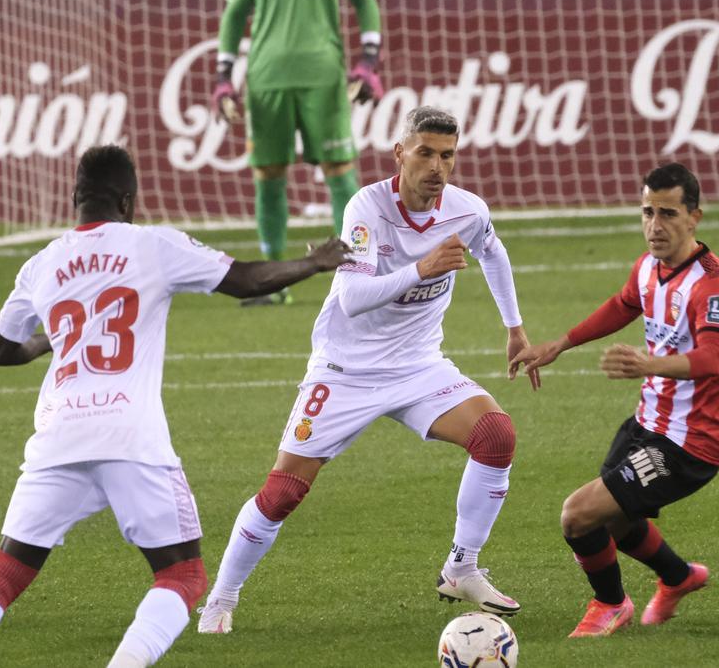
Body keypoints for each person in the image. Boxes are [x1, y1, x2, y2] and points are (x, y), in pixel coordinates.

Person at [0, 145, 351, 668]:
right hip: (130, 434)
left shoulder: (38, 265)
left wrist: (53, 342)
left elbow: (1, 352)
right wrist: (313, 261)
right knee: (183, 576)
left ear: (74, 198)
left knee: (5, 574)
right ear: (128, 201)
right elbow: (245, 279)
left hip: (57, 436)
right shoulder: (152, 245)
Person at [197, 106, 537, 634]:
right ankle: (220, 598)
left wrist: (514, 327)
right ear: (399, 153)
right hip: (344, 370)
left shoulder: (467, 212)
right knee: (283, 491)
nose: (437, 166)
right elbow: (353, 297)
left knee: (496, 436)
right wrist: (421, 268)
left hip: (418, 365)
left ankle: (462, 566)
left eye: (447, 155)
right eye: (425, 152)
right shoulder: (367, 208)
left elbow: (493, 252)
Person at [509, 163, 719, 637]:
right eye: (647, 212)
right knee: (610, 521)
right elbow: (623, 304)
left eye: (668, 214)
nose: (655, 225)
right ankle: (678, 577)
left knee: (579, 515)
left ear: (695, 217)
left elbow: (714, 358)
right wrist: (560, 343)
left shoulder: (713, 286)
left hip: (690, 443)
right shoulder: (648, 267)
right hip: (647, 424)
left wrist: (648, 365)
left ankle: (611, 604)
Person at [212, 0, 385, 305]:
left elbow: (365, 1)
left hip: (323, 75)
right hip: (267, 76)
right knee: (268, 172)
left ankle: (360, 273)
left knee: (338, 169)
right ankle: (272, 284)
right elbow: (235, 11)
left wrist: (369, 59)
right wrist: (223, 76)